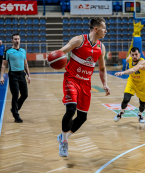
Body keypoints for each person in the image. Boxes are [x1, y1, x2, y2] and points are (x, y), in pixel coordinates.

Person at [56, 17, 111, 157]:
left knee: (82, 117)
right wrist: (53, 57)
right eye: (104, 28)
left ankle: (64, 138)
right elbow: (61, 52)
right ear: (96, 29)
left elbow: (102, 68)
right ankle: (64, 142)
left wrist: (105, 84)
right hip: (71, 79)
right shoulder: (78, 41)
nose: (106, 30)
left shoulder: (101, 47)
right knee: (71, 109)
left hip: (86, 84)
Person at [0, 33, 31, 123]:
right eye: (15, 39)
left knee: (25, 94)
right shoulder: (7, 51)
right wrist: (1, 76)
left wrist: (29, 75)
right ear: (12, 40)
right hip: (13, 75)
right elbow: (3, 64)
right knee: (15, 95)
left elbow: (25, 64)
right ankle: (16, 115)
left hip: (22, 74)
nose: (17, 40)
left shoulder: (23, 51)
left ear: (20, 40)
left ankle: (14, 108)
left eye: (18, 39)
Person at [114, 47, 145, 123]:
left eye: (136, 54)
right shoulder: (130, 59)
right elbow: (127, 59)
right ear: (131, 55)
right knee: (126, 99)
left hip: (142, 84)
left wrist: (123, 72)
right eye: (133, 55)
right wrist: (129, 56)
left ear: (139, 54)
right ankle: (121, 112)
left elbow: (134, 69)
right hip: (132, 82)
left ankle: (139, 114)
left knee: (142, 104)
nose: (135, 56)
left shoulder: (142, 62)